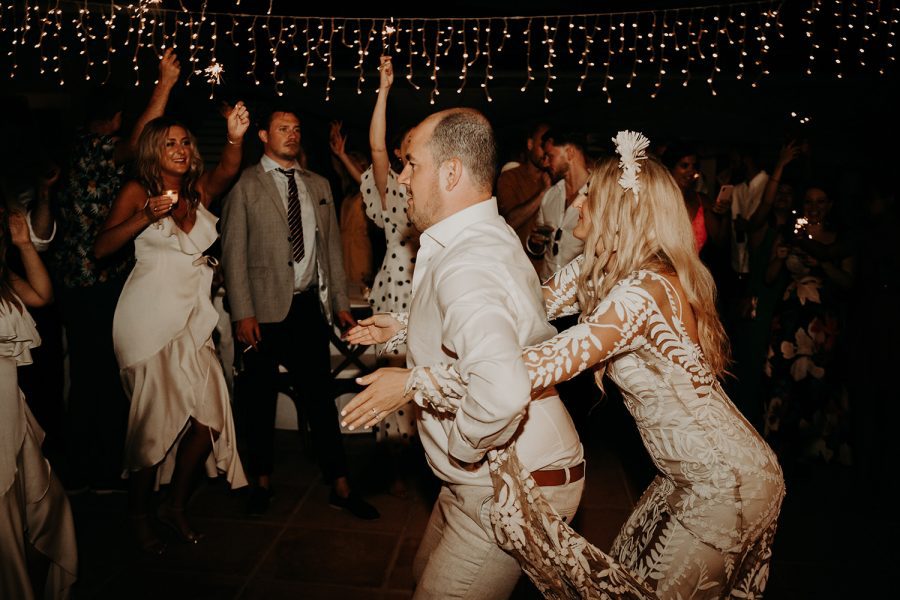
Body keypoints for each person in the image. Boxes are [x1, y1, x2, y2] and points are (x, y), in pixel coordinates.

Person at [344, 131, 786, 599]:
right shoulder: (602, 271)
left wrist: (418, 382)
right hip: (682, 476)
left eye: (590, 196)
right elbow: (521, 305)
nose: (577, 204)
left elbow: (531, 367)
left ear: (620, 212)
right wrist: (399, 327)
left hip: (724, 481)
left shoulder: (643, 294)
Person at [344, 108, 585, 599]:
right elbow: (486, 326)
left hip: (511, 479)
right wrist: (402, 331)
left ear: (451, 172)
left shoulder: (468, 260)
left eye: (411, 165)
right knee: (421, 572)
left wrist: (462, 452)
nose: (403, 178)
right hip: (487, 473)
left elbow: (501, 389)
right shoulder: (478, 236)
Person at [93, 106, 251, 553]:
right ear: (152, 151)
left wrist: (235, 136)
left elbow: (228, 168)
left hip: (193, 322)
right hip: (147, 320)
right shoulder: (135, 190)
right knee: (153, 423)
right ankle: (139, 516)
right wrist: (144, 216)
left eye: (185, 142)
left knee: (210, 419)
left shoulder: (199, 194)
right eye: (170, 143)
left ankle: (174, 505)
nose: (181, 149)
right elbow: (101, 248)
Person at [220, 106, 378, 520]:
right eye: (282, 129)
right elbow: (233, 254)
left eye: (296, 128)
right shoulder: (247, 186)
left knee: (320, 400)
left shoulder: (318, 184)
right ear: (263, 136)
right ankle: (261, 482)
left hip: (307, 307)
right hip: (262, 313)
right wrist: (242, 313)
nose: (291, 135)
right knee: (257, 399)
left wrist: (341, 306)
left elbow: (330, 253)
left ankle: (340, 485)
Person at [52, 49, 181, 493]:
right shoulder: (94, 148)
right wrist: (163, 84)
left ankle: (92, 466)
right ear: (112, 119)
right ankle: (91, 470)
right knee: (96, 378)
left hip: (80, 281)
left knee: (93, 376)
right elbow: (140, 140)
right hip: (92, 281)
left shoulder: (75, 150)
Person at [0, 200, 77, 599]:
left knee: (45, 510)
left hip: (12, 408)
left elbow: (43, 295)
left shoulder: (4, 279)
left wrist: (24, 243)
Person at [763, 183, 854, 469]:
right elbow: (768, 277)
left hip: (821, 322)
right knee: (782, 380)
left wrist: (823, 262)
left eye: (820, 201)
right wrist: (778, 260)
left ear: (830, 204)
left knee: (817, 382)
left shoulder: (838, 239)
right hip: (791, 318)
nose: (814, 207)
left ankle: (814, 451)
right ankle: (778, 449)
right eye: (809, 201)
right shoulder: (790, 233)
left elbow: (849, 282)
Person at [526, 130, 591, 281]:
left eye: (550, 156)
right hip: (547, 285)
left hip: (581, 291)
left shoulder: (600, 193)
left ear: (569, 153)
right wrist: (536, 243)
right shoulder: (550, 195)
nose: (546, 162)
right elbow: (541, 243)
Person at [662, 142, 729, 252]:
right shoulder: (656, 200)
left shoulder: (702, 200)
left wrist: (726, 214)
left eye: (695, 167)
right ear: (670, 168)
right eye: (684, 166)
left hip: (693, 268)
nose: (691, 171)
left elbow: (720, 241)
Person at [496, 122, 551, 247]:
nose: (547, 150)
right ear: (530, 144)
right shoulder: (510, 177)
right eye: (543, 145)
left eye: (550, 145)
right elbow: (509, 222)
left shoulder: (556, 180)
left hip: (547, 264)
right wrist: (543, 192)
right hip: (516, 262)